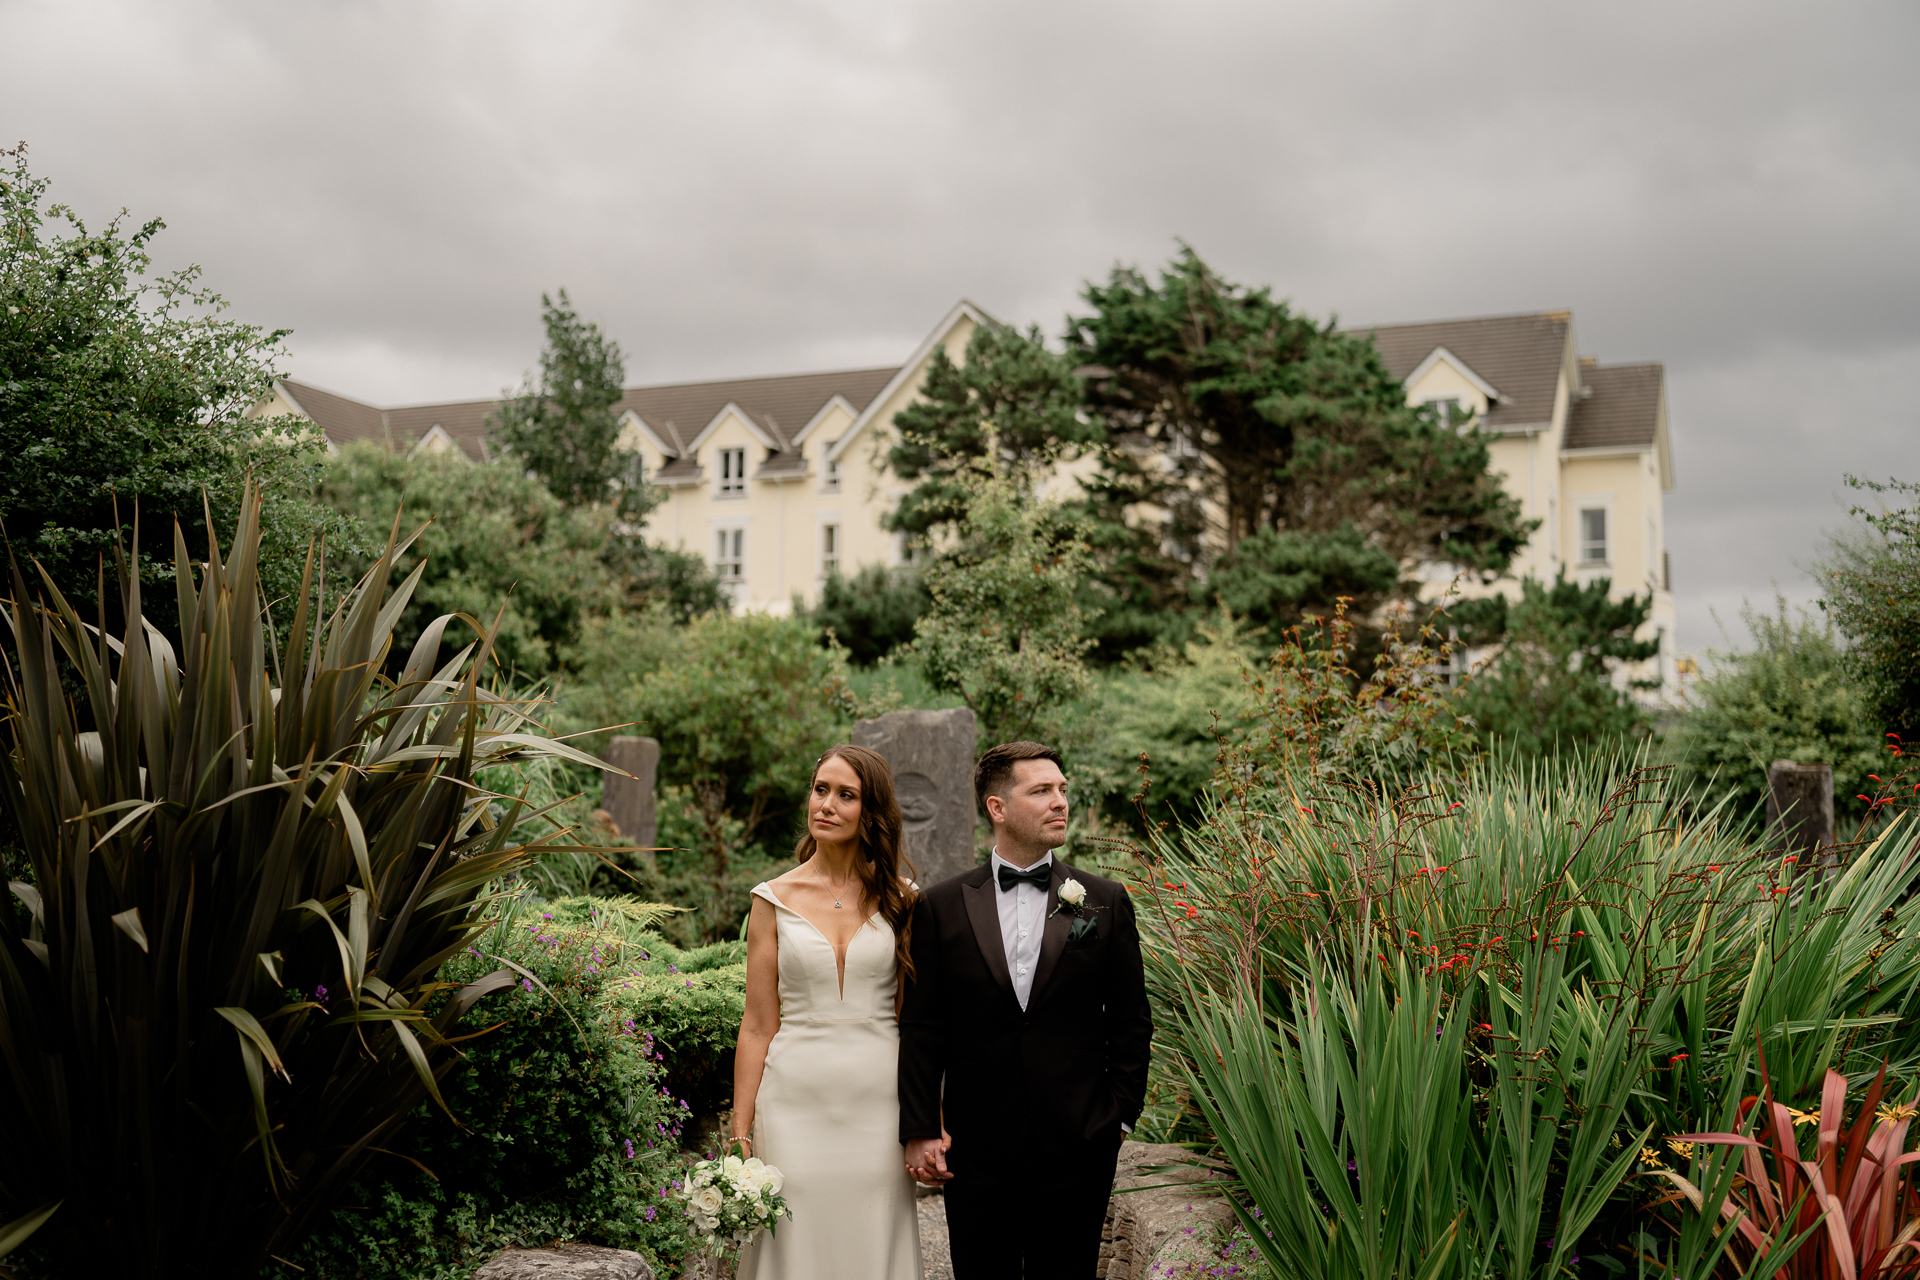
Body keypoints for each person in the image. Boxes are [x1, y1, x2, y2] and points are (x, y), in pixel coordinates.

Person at [898, 740, 1154, 1280]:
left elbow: (1131, 1019)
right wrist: (921, 1126)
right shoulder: (940, 906)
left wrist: (1118, 1116)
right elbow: (923, 1025)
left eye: (1062, 789)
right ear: (997, 807)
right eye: (1041, 791)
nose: (1059, 801)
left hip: (1079, 1139)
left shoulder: (1105, 899)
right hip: (976, 1142)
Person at [731, 744, 923, 1280]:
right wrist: (740, 1130)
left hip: (879, 1104)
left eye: (846, 795)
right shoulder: (772, 898)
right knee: (794, 1245)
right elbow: (757, 1023)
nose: (827, 805)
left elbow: (915, 1024)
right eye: (820, 790)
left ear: (872, 811)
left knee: (872, 1242)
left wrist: (927, 1117)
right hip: (793, 1100)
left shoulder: (904, 900)